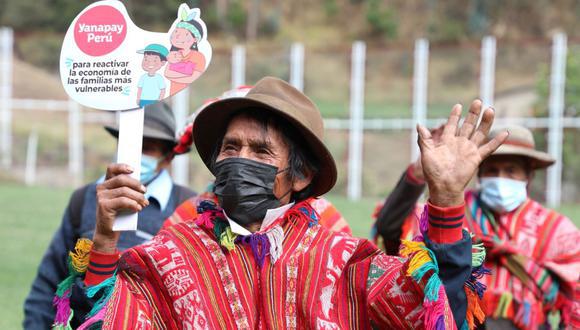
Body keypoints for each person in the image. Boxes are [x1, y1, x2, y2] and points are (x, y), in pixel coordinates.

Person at [54, 77, 507, 329]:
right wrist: (106, 238)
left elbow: (435, 315)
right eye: (230, 148)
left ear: (301, 176)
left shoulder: (344, 262)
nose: (239, 160)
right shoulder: (169, 256)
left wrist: (446, 199)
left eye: (261, 151)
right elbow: (99, 321)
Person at [373, 124, 580, 329]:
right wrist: (418, 174)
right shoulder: (450, 210)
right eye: (492, 170)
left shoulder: (554, 229)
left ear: (528, 176)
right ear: (478, 172)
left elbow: (575, 299)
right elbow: (390, 228)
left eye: (511, 171)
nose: (500, 179)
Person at [23, 102, 196, 329]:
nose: (136, 154)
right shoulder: (84, 199)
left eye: (148, 147)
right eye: (131, 143)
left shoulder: (187, 208)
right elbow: (49, 282)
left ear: (168, 157)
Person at [164, 9, 206, 96]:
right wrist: (186, 76)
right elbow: (167, 73)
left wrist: (174, 76)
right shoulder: (173, 54)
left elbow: (193, 78)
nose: (178, 36)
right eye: (176, 32)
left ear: (195, 39)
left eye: (185, 34)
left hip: (191, 96)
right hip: (171, 95)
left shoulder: (199, 57)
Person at [136, 44, 169, 108]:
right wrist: (138, 98)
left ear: (163, 62)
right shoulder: (143, 77)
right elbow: (140, 89)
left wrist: (160, 99)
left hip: (155, 101)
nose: (149, 63)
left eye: (154, 60)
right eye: (146, 60)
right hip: (143, 100)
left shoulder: (159, 78)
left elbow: (163, 90)